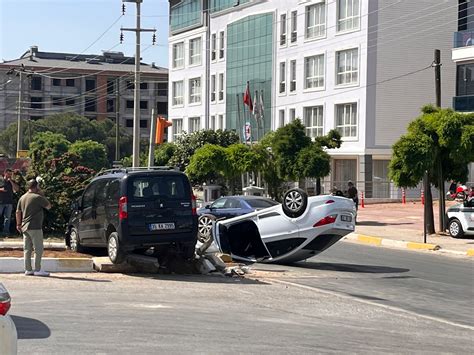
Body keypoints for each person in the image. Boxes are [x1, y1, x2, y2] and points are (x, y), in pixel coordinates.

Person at [16, 178, 51, 277]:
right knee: (38, 249)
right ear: (37, 187)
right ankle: (38, 269)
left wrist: (18, 224)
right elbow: (49, 206)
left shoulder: (22, 197)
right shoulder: (37, 197)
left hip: (24, 226)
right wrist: (42, 194)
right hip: (35, 226)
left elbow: (18, 212)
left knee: (27, 249)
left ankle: (28, 269)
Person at [0, 169, 19, 236]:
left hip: (9, 202)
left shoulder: (12, 181)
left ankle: (6, 232)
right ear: (5, 173)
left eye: (11, 174)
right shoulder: (1, 181)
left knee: (7, 218)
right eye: (8, 174)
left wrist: (11, 181)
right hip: (1, 202)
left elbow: (16, 189)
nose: (9, 176)